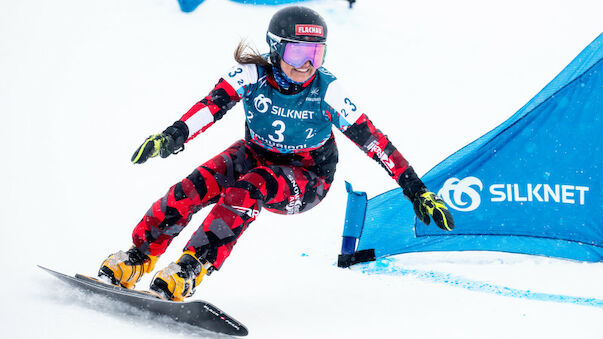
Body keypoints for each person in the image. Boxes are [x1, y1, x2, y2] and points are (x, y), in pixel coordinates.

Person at [98, 6, 454, 301]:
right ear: (274, 49)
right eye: (297, 52)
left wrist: (417, 191)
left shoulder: (328, 90)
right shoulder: (251, 75)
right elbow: (211, 106)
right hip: (256, 152)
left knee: (247, 189)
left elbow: (375, 142)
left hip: (309, 177)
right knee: (194, 187)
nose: (306, 65)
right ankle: (138, 257)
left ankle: (191, 268)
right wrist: (172, 136)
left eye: (315, 54)